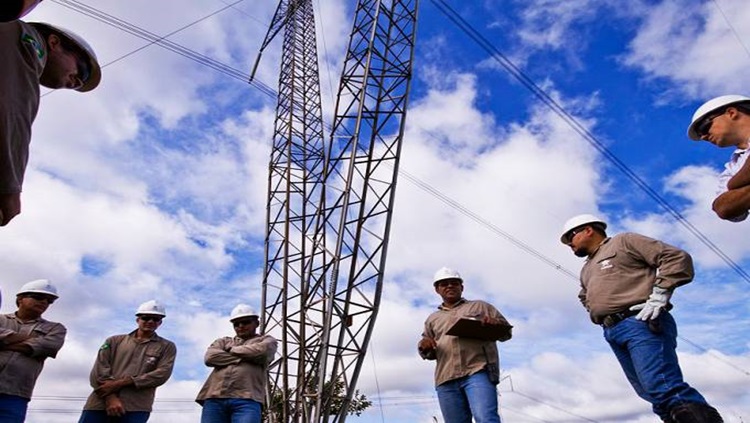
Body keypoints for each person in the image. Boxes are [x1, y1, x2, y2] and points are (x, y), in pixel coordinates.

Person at [560, 214, 723, 423]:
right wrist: (597, 309)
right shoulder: (587, 268)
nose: (569, 245)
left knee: (663, 386)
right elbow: (584, 295)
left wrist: (660, 294)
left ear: (588, 230)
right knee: (652, 394)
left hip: (640, 321)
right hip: (612, 331)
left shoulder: (624, 242)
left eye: (570, 237)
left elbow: (675, 257)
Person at [0, 18, 101, 226]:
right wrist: (9, 187)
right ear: (54, 43)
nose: (77, 82)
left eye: (79, 83)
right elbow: (13, 107)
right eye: (81, 70)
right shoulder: (28, 39)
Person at [417, 267, 512, 423]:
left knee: (486, 418)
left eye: (454, 283)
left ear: (462, 287)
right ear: (437, 290)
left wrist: (496, 324)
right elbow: (428, 350)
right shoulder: (432, 319)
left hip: (477, 371)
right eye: (444, 284)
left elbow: (506, 334)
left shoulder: (481, 307)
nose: (449, 286)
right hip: (445, 379)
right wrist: (424, 345)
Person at [79, 300, 177, 423]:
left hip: (136, 407)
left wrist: (125, 382)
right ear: (137, 320)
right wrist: (110, 398)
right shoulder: (114, 341)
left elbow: (162, 374)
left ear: (160, 323)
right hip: (99, 404)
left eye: (156, 319)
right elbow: (99, 371)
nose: (150, 321)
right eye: (146, 318)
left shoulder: (167, 346)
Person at [196, 304, 278, 423]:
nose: (241, 326)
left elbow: (263, 352)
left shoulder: (267, 341)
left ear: (256, 323)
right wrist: (246, 357)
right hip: (215, 398)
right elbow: (210, 358)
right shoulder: (224, 341)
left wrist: (232, 350)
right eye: (236, 324)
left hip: (248, 400)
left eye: (245, 322)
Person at [0, 279, 66, 422]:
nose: (44, 302)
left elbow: (48, 347)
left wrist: (4, 342)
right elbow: (35, 346)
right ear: (20, 299)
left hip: (15, 394)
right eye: (38, 297)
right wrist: (30, 338)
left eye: (49, 301)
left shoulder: (55, 328)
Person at [687, 95, 750, 222]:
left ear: (731, 113)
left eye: (704, 127)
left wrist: (734, 184)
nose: (703, 137)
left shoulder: (734, 171)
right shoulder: (733, 165)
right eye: (700, 135)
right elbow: (723, 208)